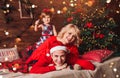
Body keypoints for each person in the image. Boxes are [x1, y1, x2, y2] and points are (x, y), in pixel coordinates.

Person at [26, 24, 95, 70]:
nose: (70, 37)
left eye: (74, 36)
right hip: (41, 60)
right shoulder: (52, 40)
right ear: (64, 32)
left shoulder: (73, 47)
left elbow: (74, 60)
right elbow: (38, 53)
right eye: (69, 33)